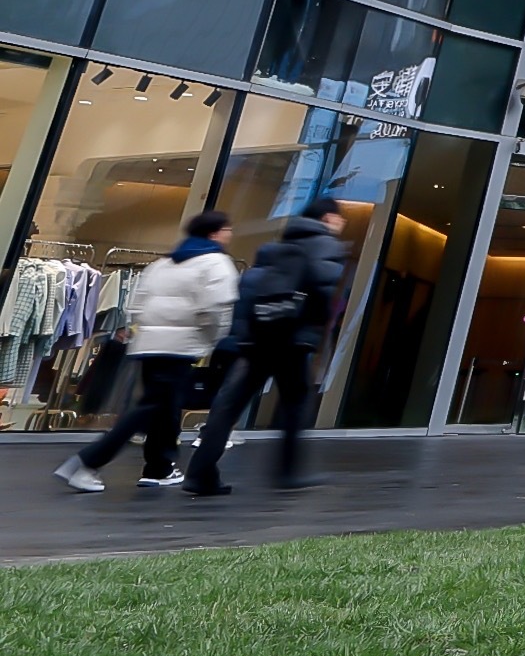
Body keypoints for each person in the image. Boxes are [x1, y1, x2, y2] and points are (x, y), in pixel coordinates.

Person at [55, 212, 235, 493]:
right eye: (227, 229)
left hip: (149, 345)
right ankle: (87, 462)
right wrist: (211, 340)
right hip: (180, 346)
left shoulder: (162, 264)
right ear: (215, 233)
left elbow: (136, 306)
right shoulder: (216, 263)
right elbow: (216, 310)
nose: (229, 234)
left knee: (165, 407)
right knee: (150, 407)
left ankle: (159, 468)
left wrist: (145, 333)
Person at [185, 199, 348, 496]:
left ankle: (199, 472)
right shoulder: (326, 245)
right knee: (296, 402)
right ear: (328, 218)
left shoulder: (276, 246)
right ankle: (288, 472)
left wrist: (247, 331)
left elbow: (251, 288)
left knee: (229, 405)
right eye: (339, 218)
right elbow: (322, 292)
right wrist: (317, 329)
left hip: (260, 334)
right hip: (291, 338)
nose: (342, 224)